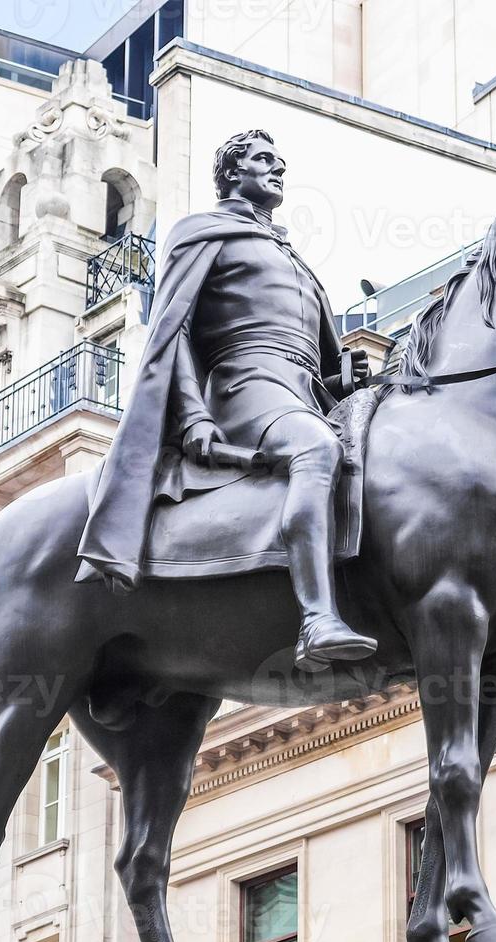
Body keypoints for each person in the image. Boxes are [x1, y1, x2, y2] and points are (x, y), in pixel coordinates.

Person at [78, 129, 375, 672]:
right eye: (264, 159)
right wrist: (193, 417)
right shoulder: (200, 232)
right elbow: (174, 333)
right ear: (232, 173)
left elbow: (315, 355)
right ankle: (317, 620)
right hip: (246, 386)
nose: (278, 168)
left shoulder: (291, 256)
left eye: (280, 160)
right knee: (316, 452)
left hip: (304, 391)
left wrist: (343, 378)